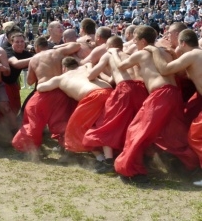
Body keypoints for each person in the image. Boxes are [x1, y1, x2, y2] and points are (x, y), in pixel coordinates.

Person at [110, 25, 199, 183]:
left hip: (161, 95)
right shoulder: (165, 53)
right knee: (175, 135)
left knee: (137, 129)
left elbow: (120, 66)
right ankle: (191, 168)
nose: (134, 42)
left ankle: (131, 170)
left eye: (136, 39)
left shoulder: (142, 53)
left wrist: (114, 52)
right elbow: (178, 73)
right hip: (174, 94)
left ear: (143, 41)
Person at [145, 29, 202, 186]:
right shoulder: (197, 55)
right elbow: (185, 74)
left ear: (183, 43)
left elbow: (165, 69)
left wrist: (154, 50)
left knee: (195, 137)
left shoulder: (192, 55)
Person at [83, 36, 148, 173]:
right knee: (134, 125)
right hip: (141, 90)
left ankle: (108, 161)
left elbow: (90, 76)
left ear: (109, 46)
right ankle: (136, 158)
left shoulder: (109, 54)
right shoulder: (130, 55)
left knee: (107, 123)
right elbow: (113, 78)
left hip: (124, 90)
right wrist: (102, 74)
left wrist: (90, 67)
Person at [12, 37, 81, 153]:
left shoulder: (34, 58)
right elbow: (76, 45)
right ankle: (68, 148)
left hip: (44, 92)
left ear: (36, 48)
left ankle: (31, 148)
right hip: (62, 91)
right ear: (47, 46)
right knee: (61, 122)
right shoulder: (58, 52)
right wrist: (58, 47)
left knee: (33, 120)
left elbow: (29, 82)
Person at [36, 57, 112, 153]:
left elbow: (40, 88)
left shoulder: (60, 78)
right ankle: (108, 157)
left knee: (76, 128)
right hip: (110, 92)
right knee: (104, 126)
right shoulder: (85, 67)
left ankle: (99, 157)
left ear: (63, 67)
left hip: (93, 96)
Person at [2, 33, 33, 115]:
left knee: (17, 107)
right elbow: (16, 64)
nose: (20, 44)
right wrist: (37, 57)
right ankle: (7, 126)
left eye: (22, 41)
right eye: (17, 42)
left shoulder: (26, 54)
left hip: (13, 83)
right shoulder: (7, 51)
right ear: (12, 42)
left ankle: (16, 125)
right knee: (8, 108)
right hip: (2, 84)